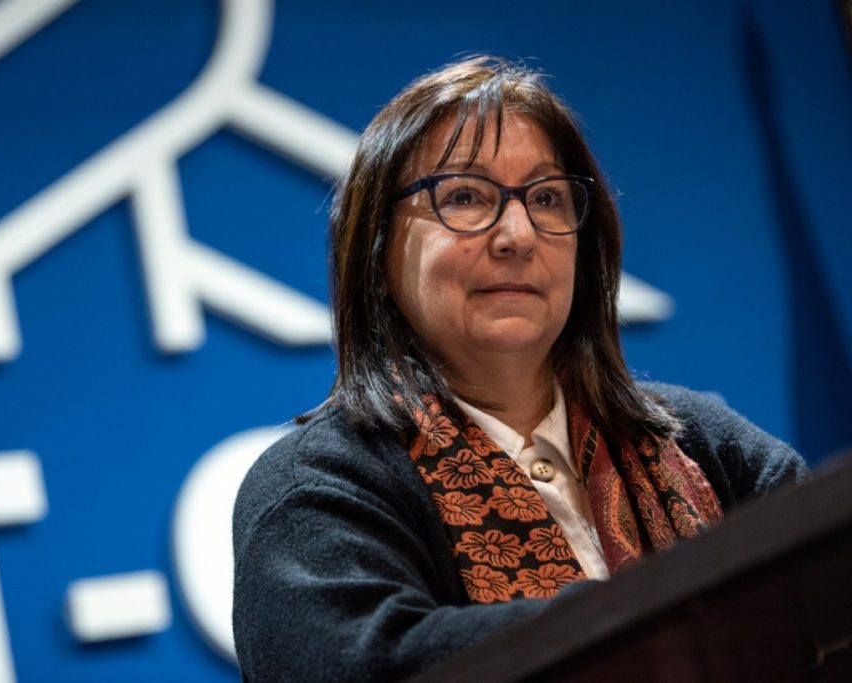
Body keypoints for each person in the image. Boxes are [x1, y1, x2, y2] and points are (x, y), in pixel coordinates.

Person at [231, 56, 808, 682]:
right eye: (463, 196)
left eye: (546, 198)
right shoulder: (318, 486)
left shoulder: (706, 445)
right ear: (377, 257)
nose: (518, 234)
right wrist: (661, 616)